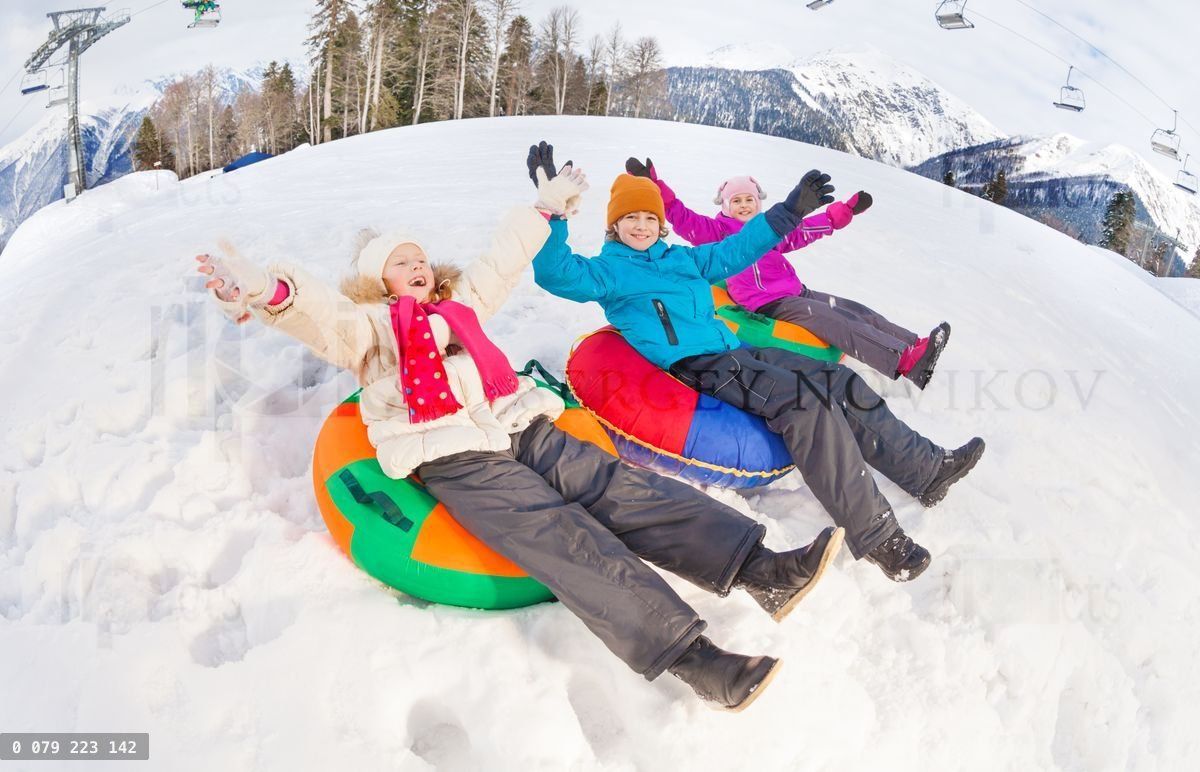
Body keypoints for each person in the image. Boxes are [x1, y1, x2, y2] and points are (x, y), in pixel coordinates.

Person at [195, 159, 843, 712]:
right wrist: (262, 288)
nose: (417, 266)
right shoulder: (368, 329)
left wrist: (543, 208)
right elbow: (318, 315)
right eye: (401, 263)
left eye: (420, 257)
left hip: (517, 423)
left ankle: (762, 570)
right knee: (562, 533)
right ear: (377, 282)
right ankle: (696, 660)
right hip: (454, 458)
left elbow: (502, 261)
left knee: (624, 488)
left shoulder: (460, 309)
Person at [530, 142, 984, 583]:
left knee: (838, 381)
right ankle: (880, 537)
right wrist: (551, 210)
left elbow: (736, 250)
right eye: (632, 217)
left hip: (735, 349)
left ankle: (925, 470)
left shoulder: (683, 259)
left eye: (651, 217)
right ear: (614, 225)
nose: (643, 225)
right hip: (699, 366)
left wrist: (789, 211)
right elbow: (554, 272)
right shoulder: (608, 272)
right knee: (808, 407)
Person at [624, 157, 949, 388]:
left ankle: (915, 343)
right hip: (769, 304)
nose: (743, 205)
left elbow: (803, 229)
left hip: (796, 292)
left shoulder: (769, 228)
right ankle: (905, 362)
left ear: (758, 202)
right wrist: (655, 186)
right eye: (735, 200)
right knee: (838, 323)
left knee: (856, 310)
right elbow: (682, 218)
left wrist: (842, 212)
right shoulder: (717, 232)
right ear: (724, 205)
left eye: (749, 199)